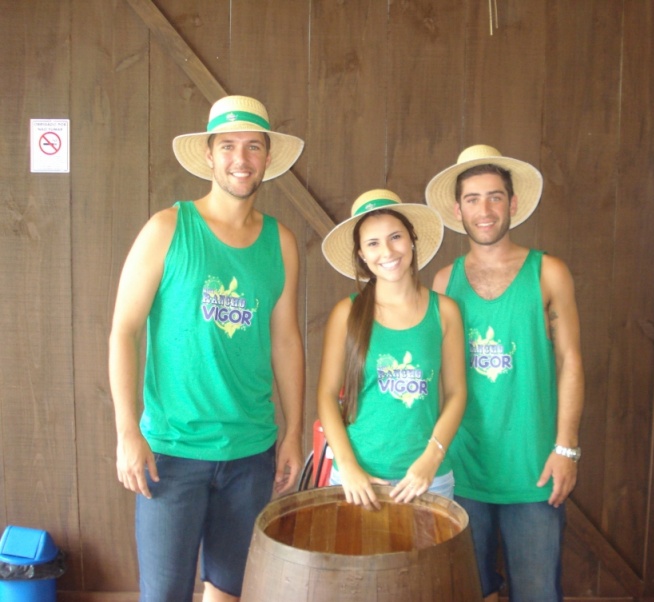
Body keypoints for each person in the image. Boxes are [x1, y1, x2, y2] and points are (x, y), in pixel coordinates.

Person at [109, 95, 306, 602]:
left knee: (229, 590)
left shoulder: (280, 242)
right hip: (170, 453)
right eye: (228, 146)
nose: (241, 158)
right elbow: (123, 331)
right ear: (210, 155)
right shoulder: (168, 229)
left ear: (267, 157)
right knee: (164, 594)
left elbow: (285, 340)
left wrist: (293, 432)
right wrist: (128, 430)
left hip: (251, 451)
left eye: (253, 147)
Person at [425, 145, 585, 602]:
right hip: (462, 469)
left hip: (533, 469)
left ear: (513, 204)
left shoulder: (548, 273)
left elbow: (570, 361)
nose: (485, 209)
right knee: (469, 591)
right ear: (458, 210)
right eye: (473, 199)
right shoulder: (443, 282)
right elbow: (432, 380)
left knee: (537, 593)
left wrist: (566, 448)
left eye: (495, 196)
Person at [317, 189, 467, 511]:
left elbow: (456, 393)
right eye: (373, 243)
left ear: (412, 240)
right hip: (359, 481)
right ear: (361, 254)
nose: (387, 251)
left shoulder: (445, 312)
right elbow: (327, 396)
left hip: (428, 480)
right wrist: (348, 468)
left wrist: (431, 458)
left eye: (396, 237)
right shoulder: (347, 313)